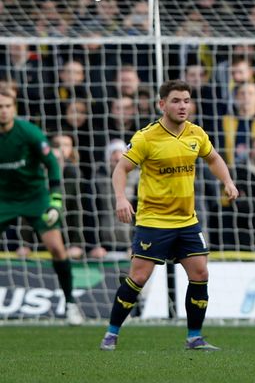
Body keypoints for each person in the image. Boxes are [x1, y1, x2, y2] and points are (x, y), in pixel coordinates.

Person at [99, 80, 238, 351]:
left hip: (187, 221)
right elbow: (121, 169)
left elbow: (214, 159)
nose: (182, 106)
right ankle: (111, 334)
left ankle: (194, 337)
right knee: (138, 278)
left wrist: (228, 181)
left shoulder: (196, 134)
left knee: (200, 272)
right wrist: (120, 198)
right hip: (154, 221)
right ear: (161, 104)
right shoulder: (146, 137)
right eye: (176, 100)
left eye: (186, 100)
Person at [0, 86, 84, 325]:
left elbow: (53, 164)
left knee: (57, 248)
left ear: (13, 108)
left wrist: (55, 199)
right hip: (3, 197)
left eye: (7, 107)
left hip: (35, 196)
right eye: (0, 107)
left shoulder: (29, 133)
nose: (3, 111)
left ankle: (70, 303)